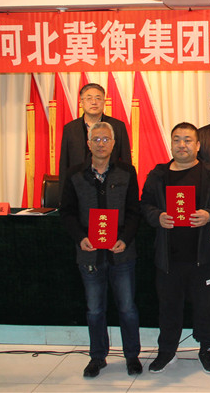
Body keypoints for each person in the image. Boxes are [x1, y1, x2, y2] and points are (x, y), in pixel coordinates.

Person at [141, 122, 210, 374]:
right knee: (168, 306)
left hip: (203, 256)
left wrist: (209, 215)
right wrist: (157, 216)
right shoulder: (158, 174)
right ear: (171, 144)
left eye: (188, 140)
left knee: (205, 306)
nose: (182, 145)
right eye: (177, 140)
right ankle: (167, 351)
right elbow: (145, 204)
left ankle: (206, 348)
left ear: (198, 145)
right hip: (168, 257)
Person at [60, 121, 142, 378]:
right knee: (95, 310)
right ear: (88, 144)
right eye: (96, 139)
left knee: (127, 308)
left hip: (122, 253)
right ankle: (97, 357)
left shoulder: (127, 172)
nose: (101, 144)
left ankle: (132, 356)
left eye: (106, 139)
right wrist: (80, 238)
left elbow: (134, 211)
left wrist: (125, 239)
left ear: (114, 143)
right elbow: (67, 213)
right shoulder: (75, 174)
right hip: (89, 252)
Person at [59, 83, 132, 179]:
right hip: (79, 184)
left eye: (98, 98)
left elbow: (126, 162)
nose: (94, 102)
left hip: (110, 183)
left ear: (104, 102)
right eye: (89, 98)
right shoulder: (70, 129)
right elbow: (64, 165)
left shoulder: (118, 127)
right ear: (81, 102)